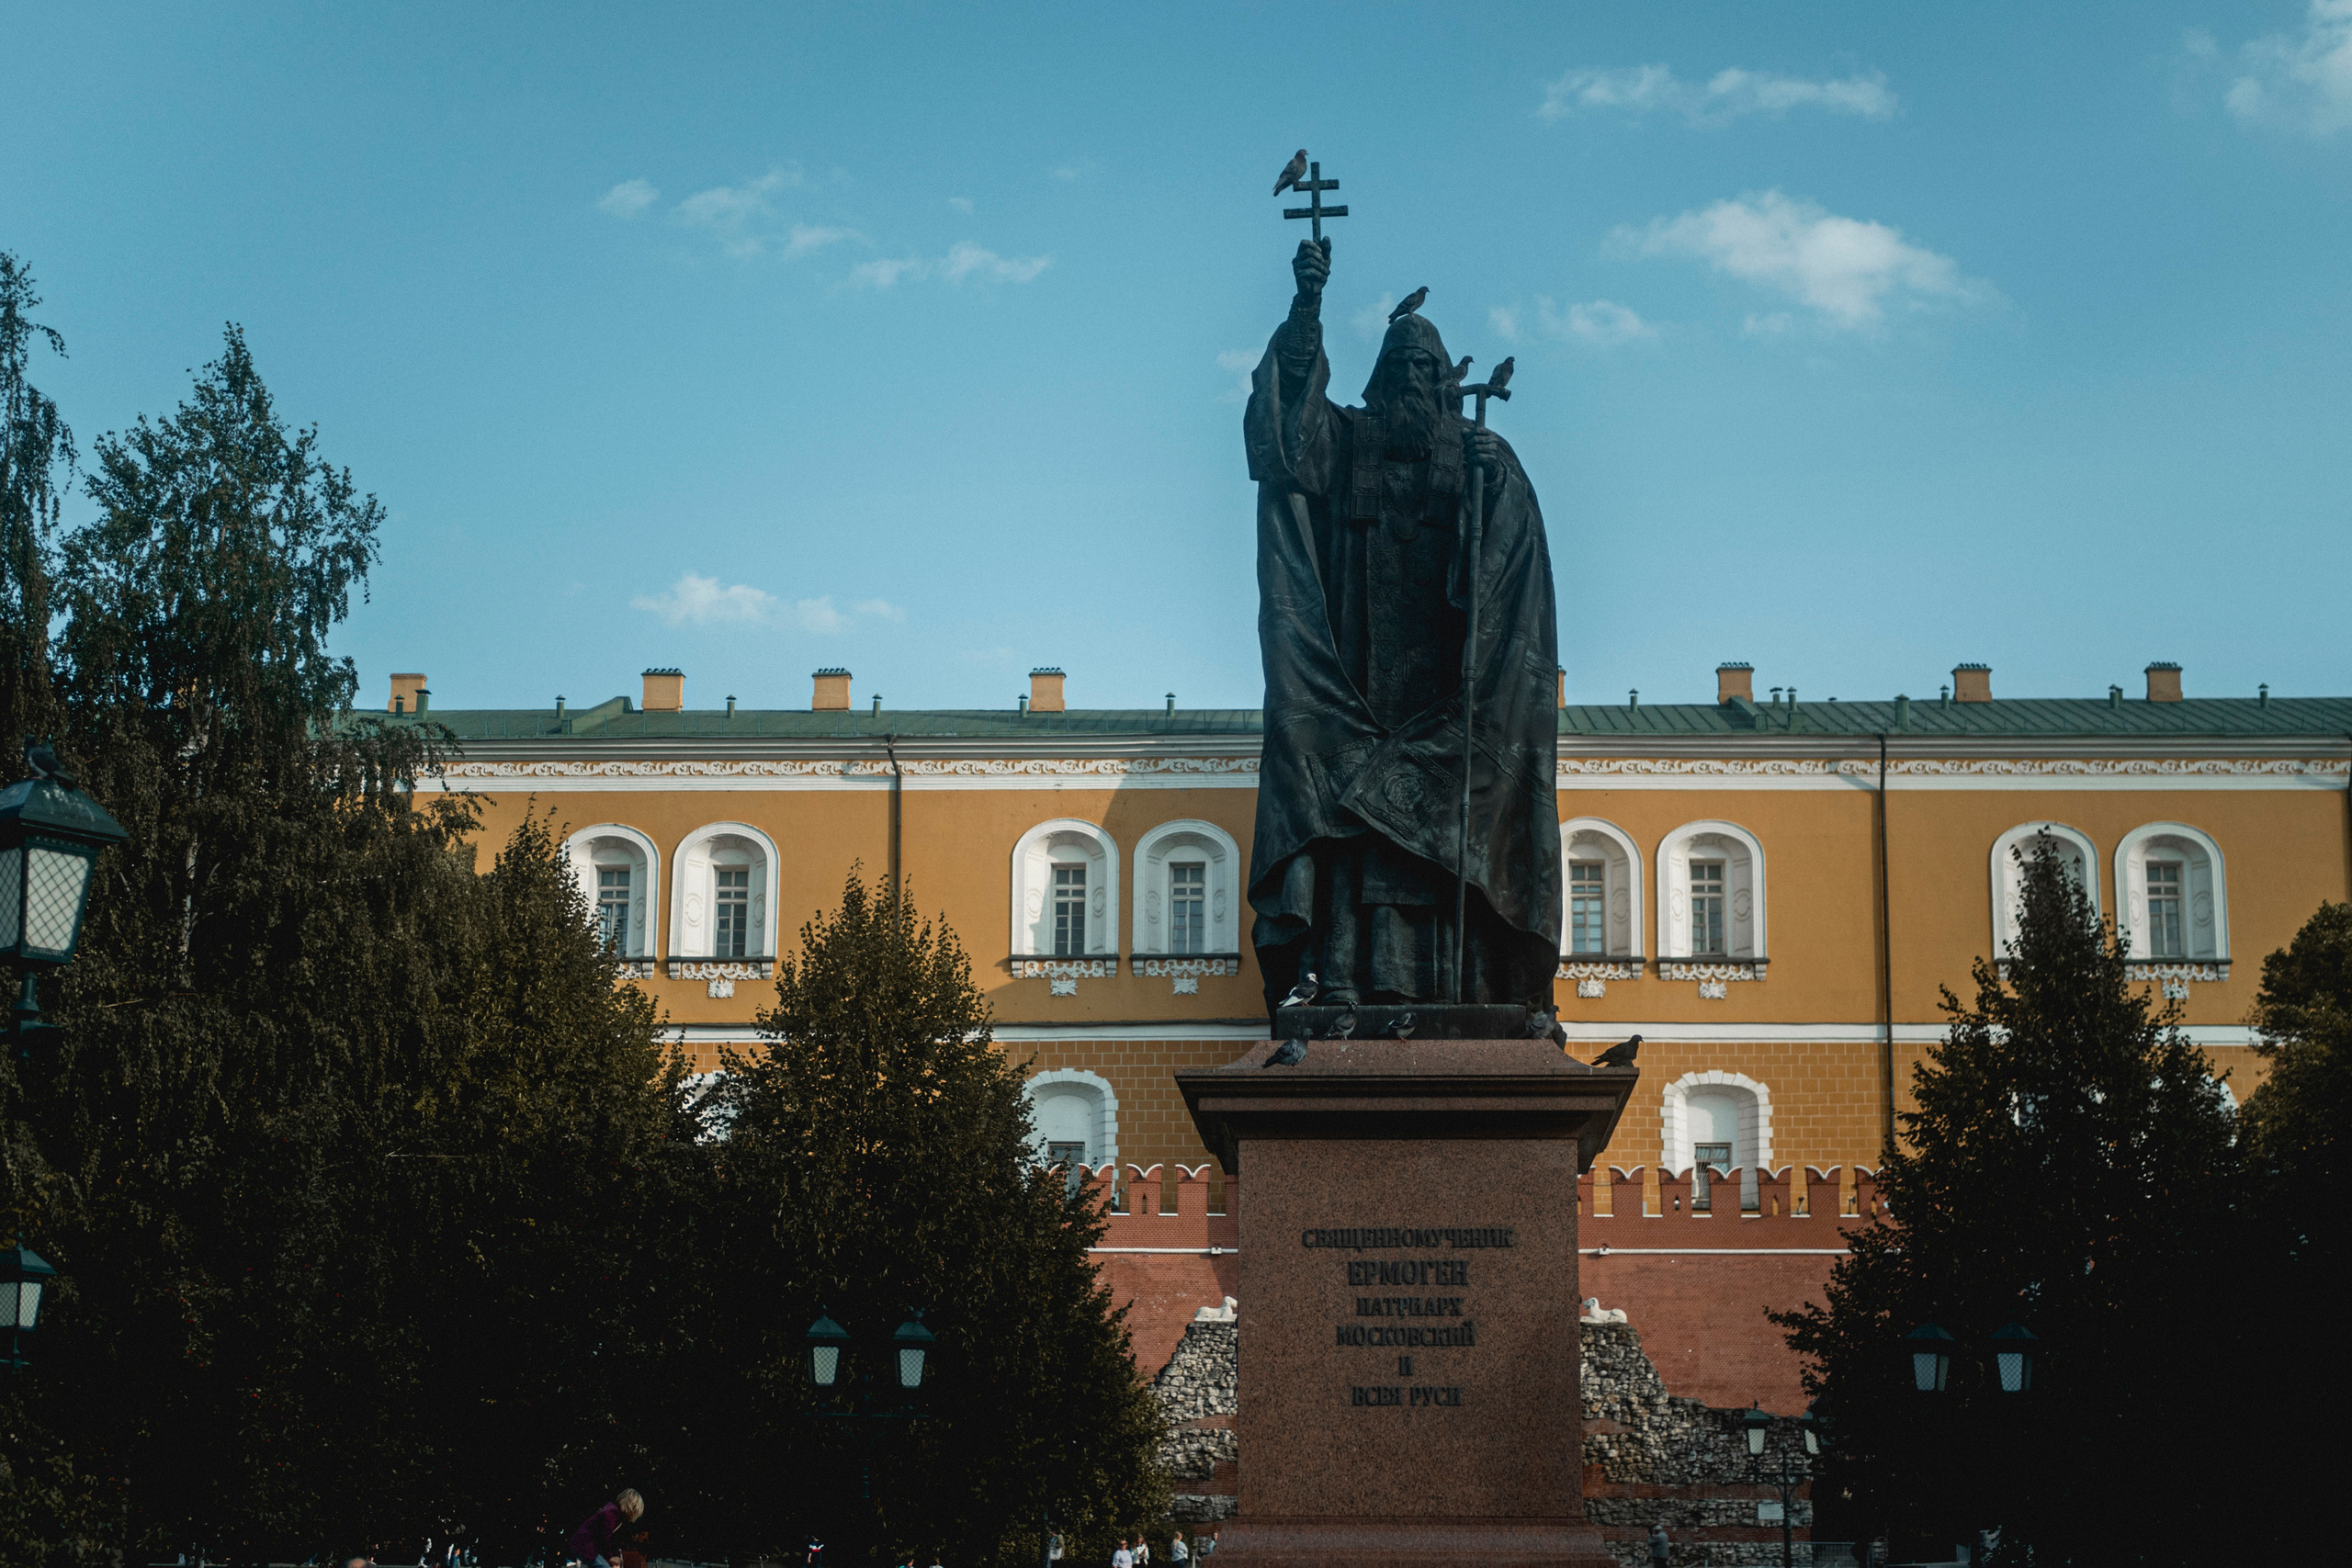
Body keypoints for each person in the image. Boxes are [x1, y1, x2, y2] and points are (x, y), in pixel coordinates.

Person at [1243, 237, 1561, 1011]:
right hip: (1354, 680)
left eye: (1426, 369)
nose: (1413, 380)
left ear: (1443, 382)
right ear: (1380, 379)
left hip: (1452, 686)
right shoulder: (1352, 442)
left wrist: (1503, 480)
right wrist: (1307, 309)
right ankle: (1344, 980)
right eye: (1399, 369)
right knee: (1349, 809)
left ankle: (1467, 986)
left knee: (1451, 817)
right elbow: (1287, 441)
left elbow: (1514, 565)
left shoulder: (1478, 453)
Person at [567, 1489, 646, 1568]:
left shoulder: (616, 1515)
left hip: (587, 1547)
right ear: (631, 1507)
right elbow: (605, 1536)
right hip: (584, 1546)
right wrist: (610, 1557)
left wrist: (614, 1556)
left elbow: (612, 1539)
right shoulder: (611, 1513)